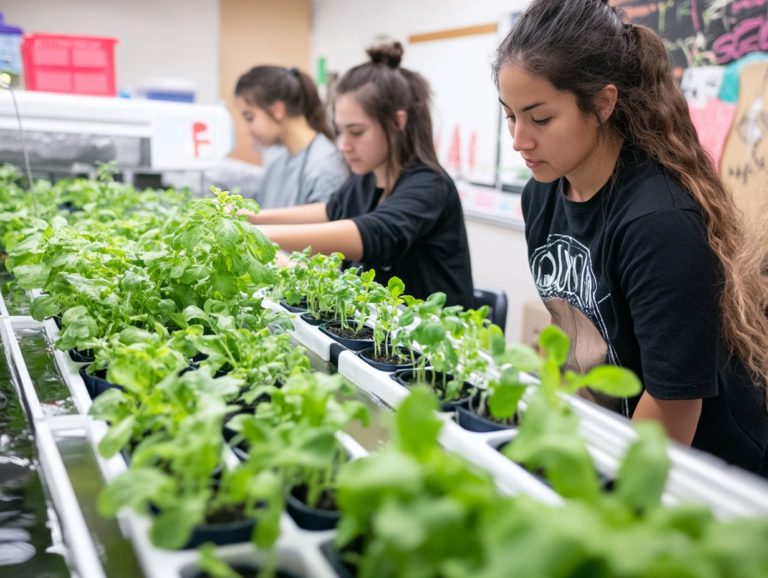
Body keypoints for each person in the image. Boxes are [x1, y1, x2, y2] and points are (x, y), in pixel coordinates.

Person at [494, 0, 768, 475]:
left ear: (603, 103)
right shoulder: (541, 196)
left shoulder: (659, 222)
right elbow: (573, 333)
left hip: (704, 475)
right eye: (509, 116)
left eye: (539, 119)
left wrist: (601, 499)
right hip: (614, 441)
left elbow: (672, 409)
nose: (519, 139)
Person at [241, 42, 474, 308]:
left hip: (431, 341)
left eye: (357, 132)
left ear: (398, 123)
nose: (343, 145)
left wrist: (255, 234)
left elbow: (374, 234)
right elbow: (330, 211)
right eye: (340, 131)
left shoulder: (430, 185)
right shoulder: (366, 178)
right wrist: (250, 217)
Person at [233, 65, 349, 208]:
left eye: (249, 118)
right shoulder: (277, 163)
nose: (248, 130)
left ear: (277, 110)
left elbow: (326, 225)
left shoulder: (325, 166)